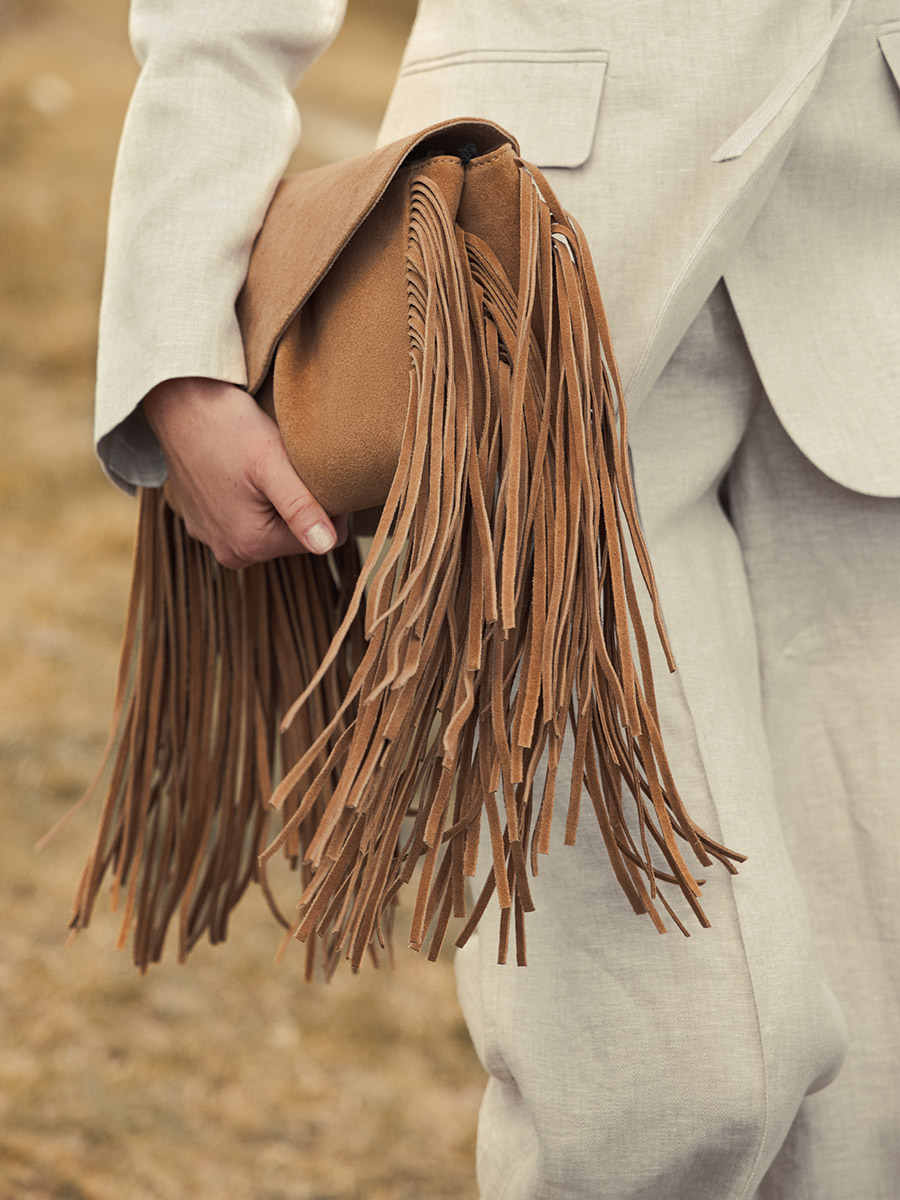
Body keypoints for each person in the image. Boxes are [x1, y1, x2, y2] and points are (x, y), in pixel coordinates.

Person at [94, 1, 900, 1196]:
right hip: (525, 307)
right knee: (673, 1075)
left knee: (867, 1124)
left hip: (873, 302)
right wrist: (178, 336)